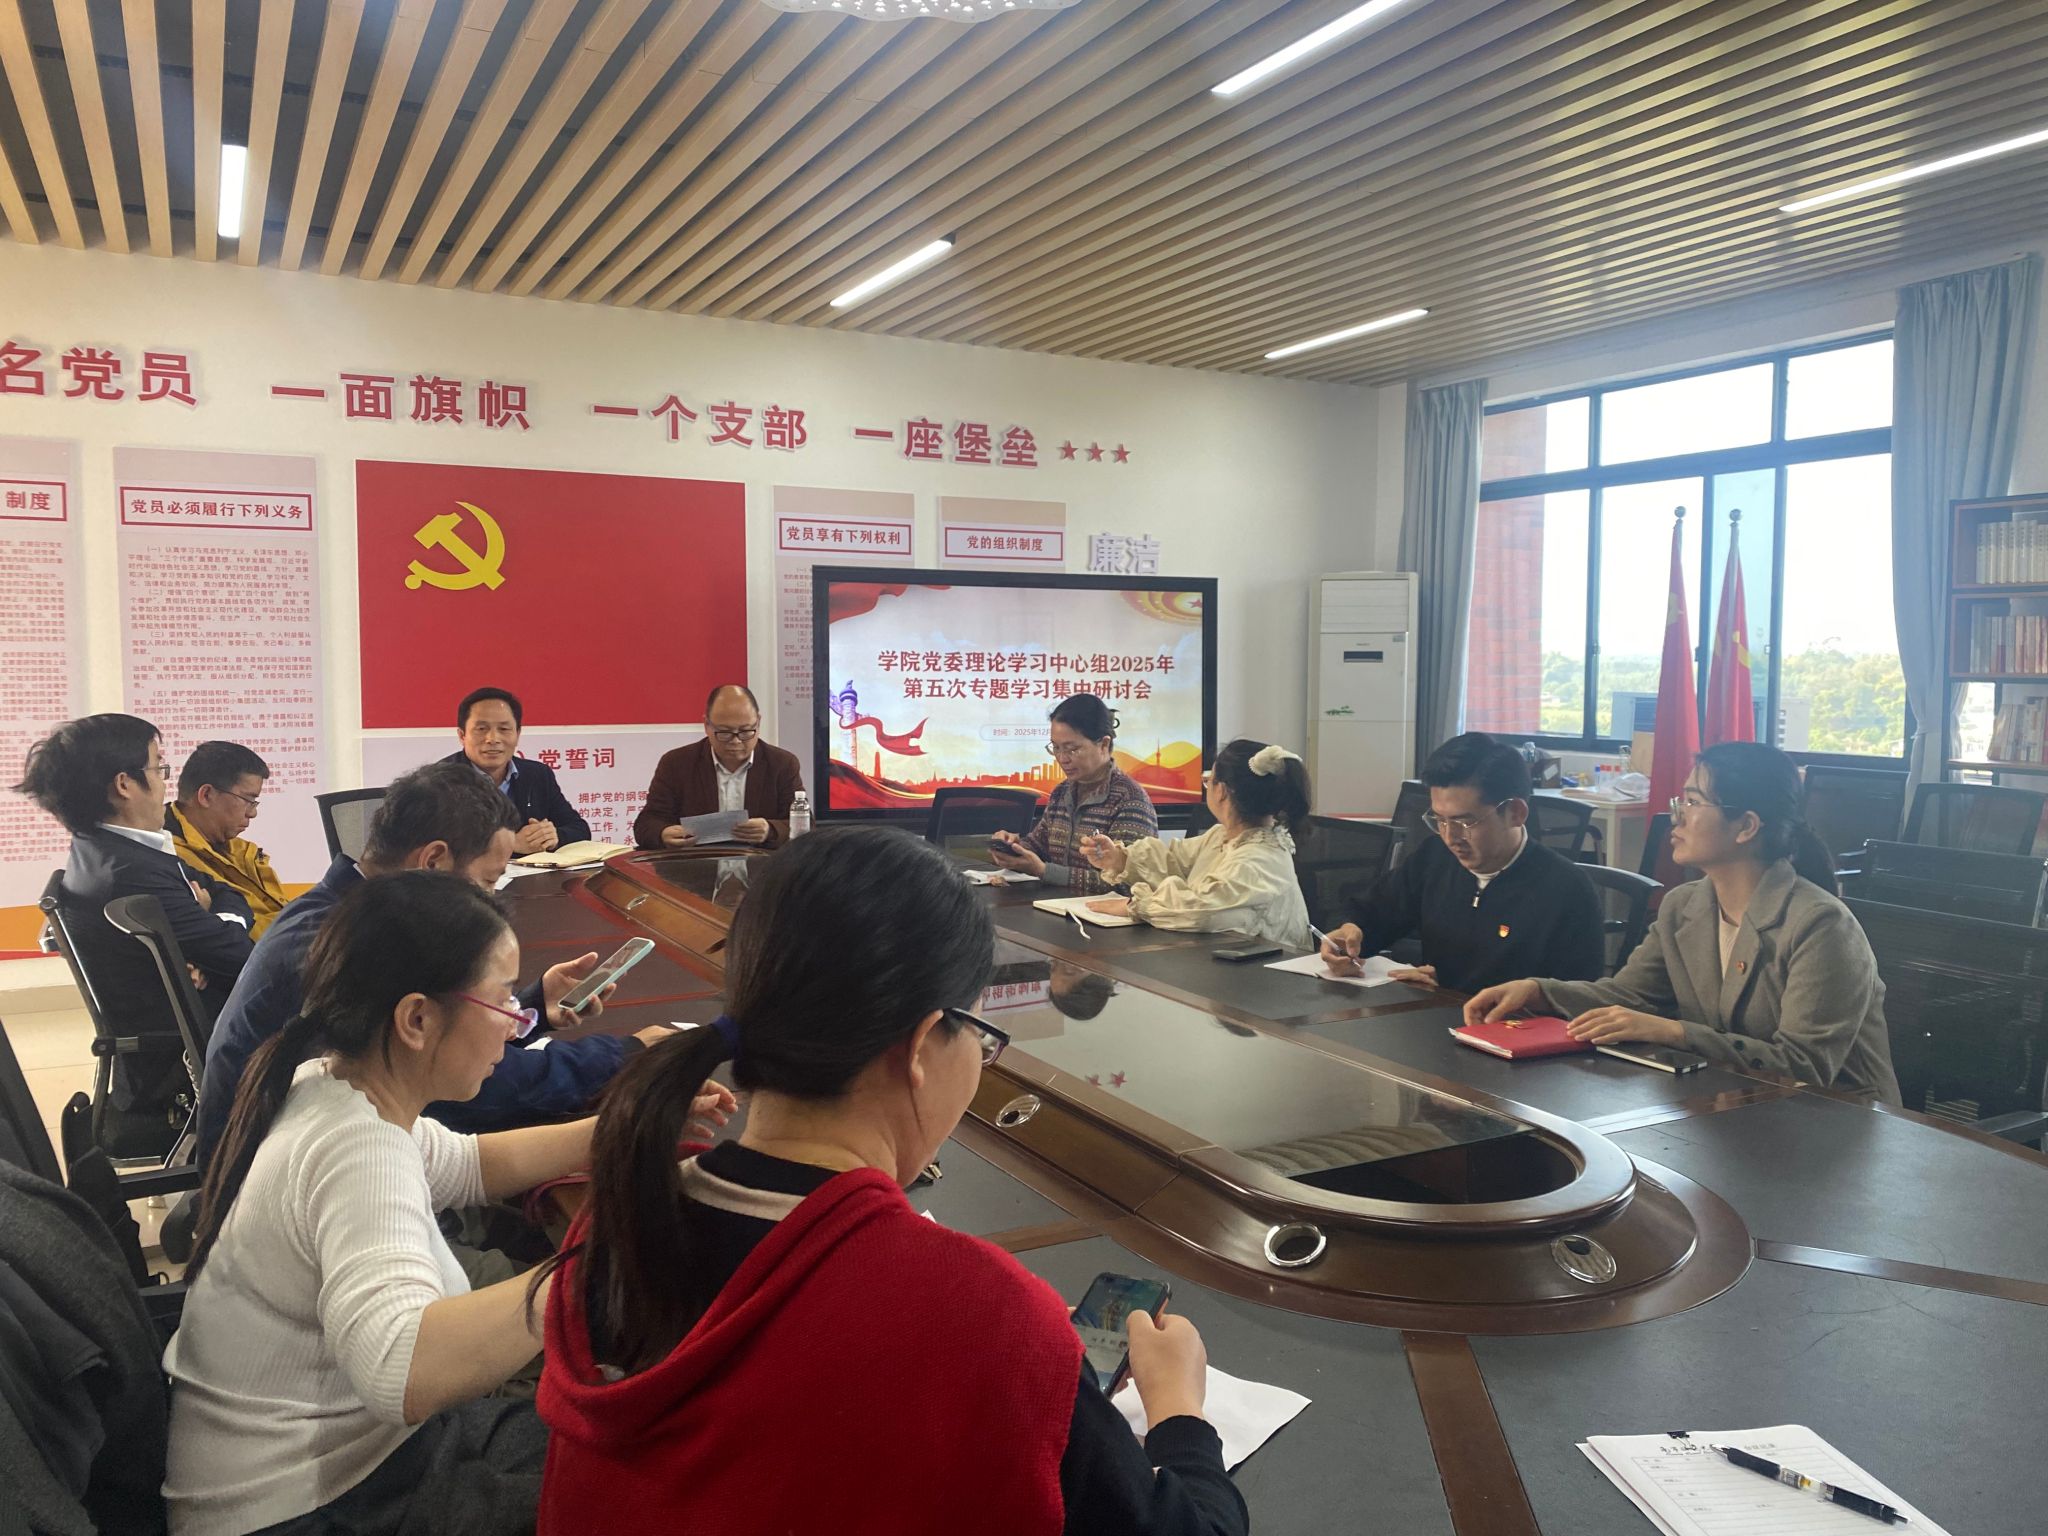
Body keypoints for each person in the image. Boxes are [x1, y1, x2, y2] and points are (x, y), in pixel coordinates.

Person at [533, 826, 1248, 1536]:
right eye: (979, 1034)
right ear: (923, 1045)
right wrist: (1179, 1412)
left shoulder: (622, 1218)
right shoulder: (981, 1318)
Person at [164, 871, 734, 1535]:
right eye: (504, 1002)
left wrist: (634, 1125)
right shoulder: (355, 1149)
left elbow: (468, 1163)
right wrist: (596, 1264)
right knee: (656, 1484)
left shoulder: (333, 1085)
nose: (518, 1025)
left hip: (350, 1463)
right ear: (416, 1019)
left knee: (630, 1444)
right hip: (312, 1506)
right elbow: (401, 1368)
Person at [195, 761, 657, 1170]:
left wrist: (530, 1009)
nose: (490, 901)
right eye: (488, 881)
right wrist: (628, 1055)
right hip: (271, 1182)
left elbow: (442, 1044)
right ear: (434, 861)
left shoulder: (343, 909)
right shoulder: (349, 947)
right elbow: (471, 1085)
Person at [1464, 741, 1900, 1101]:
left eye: (1693, 802)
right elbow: (1628, 996)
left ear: (1746, 826)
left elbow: (1805, 1067)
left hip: (1840, 1124)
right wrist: (1539, 991)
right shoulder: (1684, 905)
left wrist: (1675, 1032)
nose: (1677, 815)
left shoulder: (1820, 924)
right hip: (1738, 1106)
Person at [16, 715, 255, 1156]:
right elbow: (242, 956)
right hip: (186, 1055)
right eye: (158, 767)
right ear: (125, 784)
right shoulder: (134, 874)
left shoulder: (104, 849)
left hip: (178, 1030)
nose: (165, 783)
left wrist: (216, 922)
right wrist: (216, 928)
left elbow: (225, 893)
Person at [1319, 732, 1604, 992]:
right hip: (1433, 1021)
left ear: (1516, 813)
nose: (1450, 836)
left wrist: (1449, 989)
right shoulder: (1435, 858)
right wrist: (1349, 936)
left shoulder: (1565, 890)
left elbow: (1575, 1001)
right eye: (1439, 820)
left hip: (1510, 1029)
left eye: (1465, 822)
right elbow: (1375, 911)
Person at [1079, 740, 1312, 950]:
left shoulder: (1260, 860)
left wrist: (1136, 905)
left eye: (1208, 780)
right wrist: (1119, 858)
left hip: (1264, 976)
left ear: (1221, 791)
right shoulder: (1223, 836)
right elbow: (1175, 860)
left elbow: (1202, 911)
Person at [990, 694, 1159, 894]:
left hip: (1103, 912)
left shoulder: (1130, 800)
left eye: (1072, 749)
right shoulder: (1062, 792)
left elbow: (1128, 883)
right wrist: (1013, 847)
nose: (1062, 758)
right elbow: (1039, 845)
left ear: (1104, 745)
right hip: (1054, 906)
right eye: (1056, 748)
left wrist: (1043, 871)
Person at [633, 685, 805, 851]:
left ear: (758, 722)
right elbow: (647, 823)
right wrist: (663, 834)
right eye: (725, 732)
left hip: (762, 865)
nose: (736, 741)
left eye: (745, 731)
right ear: (707, 725)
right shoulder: (677, 763)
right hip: (694, 864)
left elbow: (804, 826)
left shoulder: (781, 764)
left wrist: (770, 830)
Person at [445, 686, 591, 854]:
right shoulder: (439, 782)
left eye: (504, 729)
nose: (493, 739)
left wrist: (553, 837)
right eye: (481, 729)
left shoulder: (537, 774)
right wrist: (509, 844)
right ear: (462, 735)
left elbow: (579, 830)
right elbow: (433, 846)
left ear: (517, 734)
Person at [167, 739, 288, 940]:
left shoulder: (242, 852)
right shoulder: (170, 859)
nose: (253, 813)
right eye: (248, 800)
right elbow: (240, 933)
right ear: (206, 795)